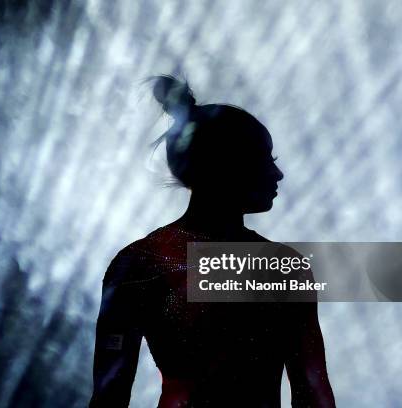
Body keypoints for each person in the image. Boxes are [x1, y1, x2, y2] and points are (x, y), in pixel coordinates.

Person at [89, 75, 336, 407]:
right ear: (229, 166)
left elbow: (108, 397)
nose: (277, 174)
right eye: (265, 160)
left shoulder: (138, 263)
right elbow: (314, 397)